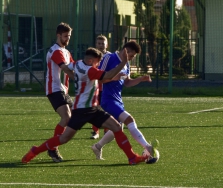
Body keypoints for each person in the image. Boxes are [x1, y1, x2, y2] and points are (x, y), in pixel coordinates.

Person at [22, 47, 154, 165]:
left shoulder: (78, 64)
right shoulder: (90, 70)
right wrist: (124, 62)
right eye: (97, 63)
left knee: (116, 127)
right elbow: (107, 75)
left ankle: (132, 157)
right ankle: (36, 150)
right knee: (64, 138)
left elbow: (68, 67)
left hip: (92, 108)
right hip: (82, 111)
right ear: (91, 61)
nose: (98, 66)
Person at [91, 40, 158, 160]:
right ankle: (147, 147)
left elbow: (126, 82)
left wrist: (140, 79)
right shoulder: (109, 57)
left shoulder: (126, 64)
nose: (131, 58)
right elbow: (99, 79)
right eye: (131, 55)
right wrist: (113, 77)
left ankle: (97, 146)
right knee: (129, 120)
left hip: (118, 100)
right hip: (108, 99)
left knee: (117, 127)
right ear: (126, 50)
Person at [45, 22, 75, 162]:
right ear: (58, 35)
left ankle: (53, 145)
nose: (67, 39)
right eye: (65, 36)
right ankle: (53, 148)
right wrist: (80, 77)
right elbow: (65, 68)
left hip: (64, 90)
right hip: (54, 89)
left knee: (75, 117)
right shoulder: (55, 51)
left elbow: (75, 66)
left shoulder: (67, 52)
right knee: (66, 117)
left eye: (69, 36)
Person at [90, 35, 110, 139]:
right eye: (99, 43)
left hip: (107, 87)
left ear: (107, 44)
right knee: (95, 109)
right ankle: (95, 131)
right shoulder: (92, 57)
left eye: (103, 43)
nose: (101, 45)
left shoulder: (110, 57)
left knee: (106, 110)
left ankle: (106, 131)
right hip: (95, 87)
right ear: (96, 44)